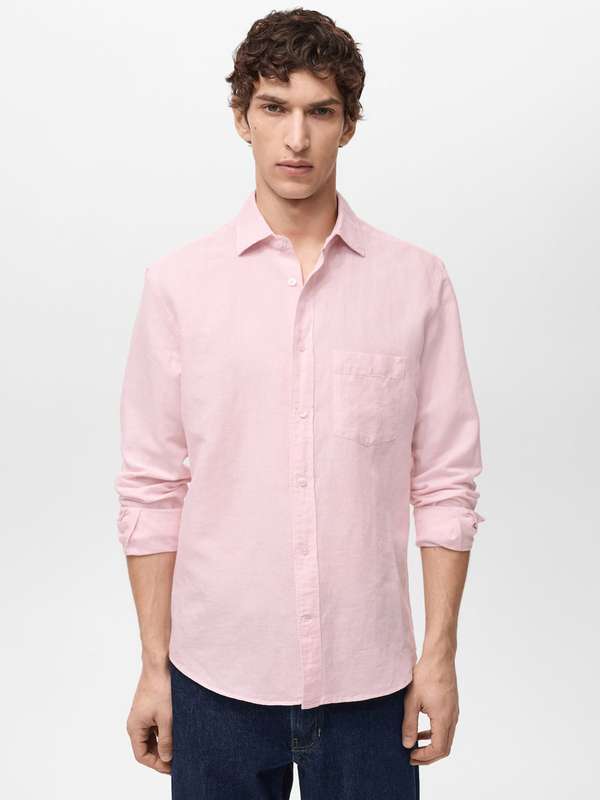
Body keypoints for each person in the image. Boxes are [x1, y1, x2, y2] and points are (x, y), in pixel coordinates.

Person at [114, 8, 485, 799]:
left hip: (372, 685)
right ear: (241, 116)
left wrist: (440, 657)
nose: (296, 138)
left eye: (320, 111)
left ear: (348, 125)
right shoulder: (179, 287)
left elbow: (445, 483)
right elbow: (152, 487)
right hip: (214, 681)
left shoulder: (416, 285)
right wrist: (153, 667)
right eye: (274, 107)